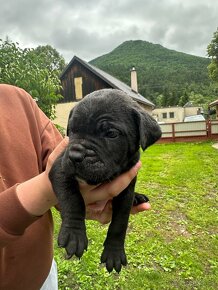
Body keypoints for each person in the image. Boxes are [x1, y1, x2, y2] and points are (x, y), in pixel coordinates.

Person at [0, 84, 150, 290]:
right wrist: (74, 221)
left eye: (110, 134)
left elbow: (53, 162)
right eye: (75, 133)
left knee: (125, 193)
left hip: (40, 273)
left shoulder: (18, 99)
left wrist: (101, 204)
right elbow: (58, 174)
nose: (77, 151)